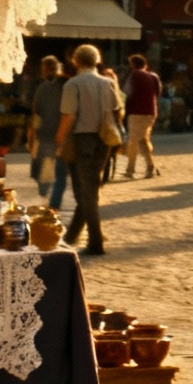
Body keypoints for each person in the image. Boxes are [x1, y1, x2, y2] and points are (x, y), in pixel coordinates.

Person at [54, 44, 120, 255]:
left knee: (85, 192)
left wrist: (59, 138)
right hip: (104, 139)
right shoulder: (108, 82)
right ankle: (72, 236)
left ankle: (96, 241)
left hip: (81, 139)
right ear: (97, 60)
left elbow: (69, 116)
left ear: (76, 61)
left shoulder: (73, 84)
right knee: (89, 186)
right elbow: (116, 110)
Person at [27, 56, 70, 209]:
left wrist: (31, 137)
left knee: (44, 172)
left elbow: (35, 112)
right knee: (57, 174)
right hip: (60, 134)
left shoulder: (42, 88)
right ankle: (53, 205)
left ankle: (47, 202)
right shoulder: (65, 87)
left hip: (45, 134)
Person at [123, 55, 162, 179]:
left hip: (136, 112)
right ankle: (146, 167)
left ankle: (133, 169)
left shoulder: (134, 75)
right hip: (150, 111)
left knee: (134, 140)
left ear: (133, 64)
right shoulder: (153, 76)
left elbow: (127, 92)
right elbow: (158, 92)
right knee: (142, 139)